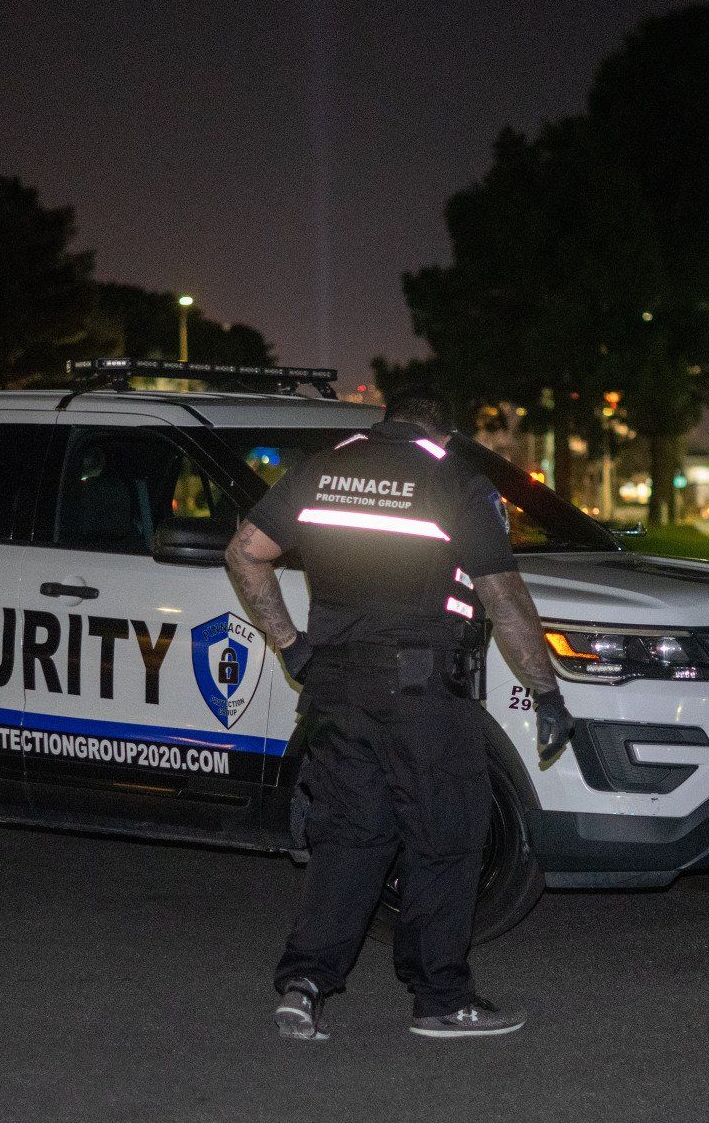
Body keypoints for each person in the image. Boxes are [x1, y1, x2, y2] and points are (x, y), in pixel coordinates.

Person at [224, 389, 572, 1041]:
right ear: (443, 432)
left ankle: (304, 984)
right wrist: (547, 692)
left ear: (383, 424)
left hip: (336, 684)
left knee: (348, 834)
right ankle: (441, 999)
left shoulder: (319, 470)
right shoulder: (450, 479)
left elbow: (245, 552)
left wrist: (293, 646)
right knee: (446, 832)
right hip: (422, 689)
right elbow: (504, 599)